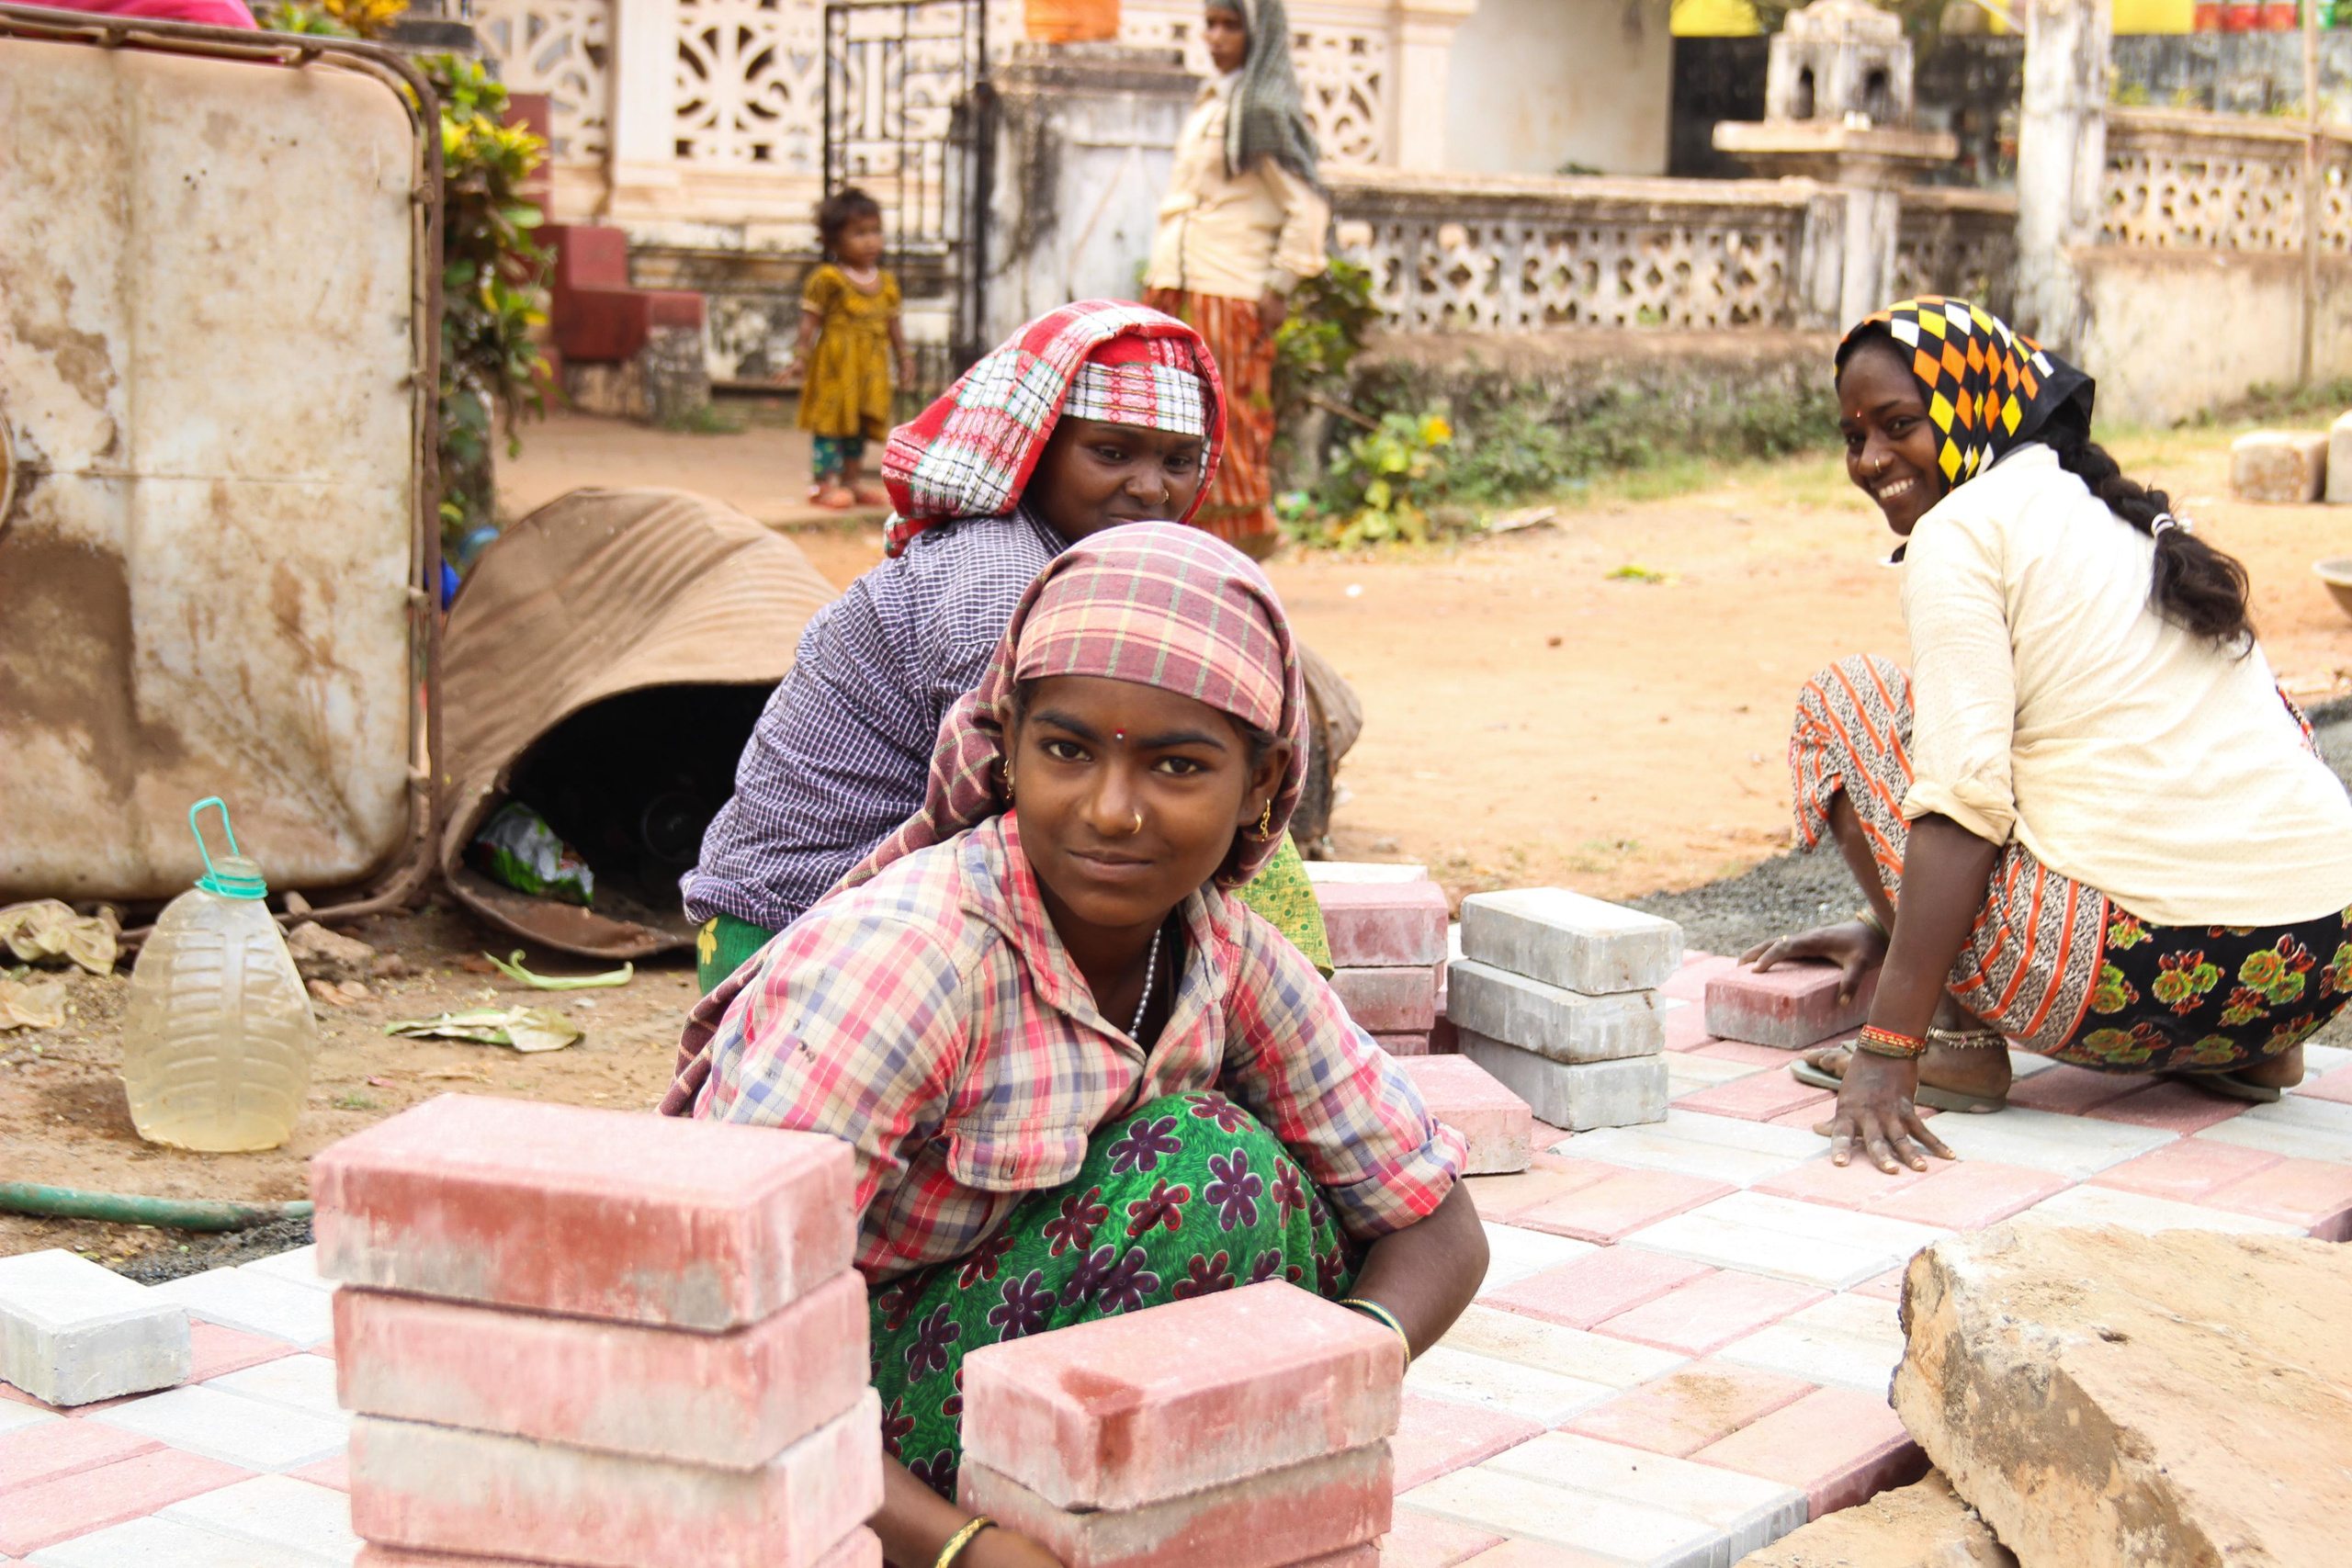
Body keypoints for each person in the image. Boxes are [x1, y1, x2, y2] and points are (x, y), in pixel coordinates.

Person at [662, 525, 1485, 1568]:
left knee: (1263, 1183)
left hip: (1036, 1410)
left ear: (1262, 781)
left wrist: (1337, 1365)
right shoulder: (910, 966)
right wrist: (959, 1545)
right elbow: (705, 1331)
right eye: (1067, 751)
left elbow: (1436, 1220)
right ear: (1006, 742)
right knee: (1202, 1173)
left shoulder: (1220, 950)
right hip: (831, 1419)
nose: (1111, 811)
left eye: (1177, 766)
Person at [1743, 296, 2352, 1175]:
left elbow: (1966, 807)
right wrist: (1890, 922)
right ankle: (2250, 1054)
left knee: (1848, 698)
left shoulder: (1960, 533)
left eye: (1899, 425)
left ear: (1969, 409)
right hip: (2313, 965)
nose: (1871, 460)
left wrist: (1888, 1046)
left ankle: (1957, 1043)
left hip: (2130, 982)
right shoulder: (2120, 518)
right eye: (1853, 436)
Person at [686, 299, 1333, 992]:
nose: (1151, 489)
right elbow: (1021, 805)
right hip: (788, 933)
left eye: (1179, 461)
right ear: (1033, 451)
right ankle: (1262, 1004)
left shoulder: (1078, 573)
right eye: (1111, 453)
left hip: (879, 910)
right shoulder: (999, 578)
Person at [1142, 0, 1329, 560]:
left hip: (1228, 287)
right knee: (1169, 418)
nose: (1216, 37)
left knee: (1231, 424)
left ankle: (1237, 552)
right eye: (1211, 24)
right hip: (1177, 282)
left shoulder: (1262, 111)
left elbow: (1308, 207)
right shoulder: (1211, 102)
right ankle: (1183, 547)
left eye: (1230, 26)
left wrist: (1281, 284)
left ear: (1257, 35)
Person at [787, 186, 914, 509]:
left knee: (859, 423)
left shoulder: (887, 283)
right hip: (835, 366)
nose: (871, 241)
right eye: (859, 233)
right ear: (834, 241)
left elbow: (893, 325)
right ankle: (822, 485)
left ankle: (851, 481)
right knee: (831, 423)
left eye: (875, 231)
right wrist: (800, 356)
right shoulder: (827, 278)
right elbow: (809, 321)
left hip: (870, 367)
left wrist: (904, 357)